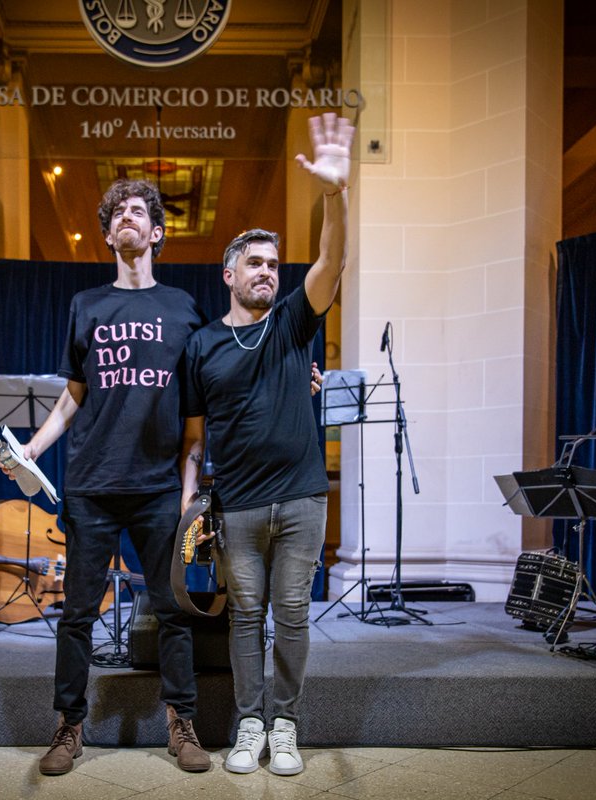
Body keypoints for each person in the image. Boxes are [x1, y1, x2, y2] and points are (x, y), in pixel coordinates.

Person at [2, 178, 212, 776]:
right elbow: (73, 395)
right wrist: (33, 450)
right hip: (92, 484)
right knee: (76, 613)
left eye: (138, 210)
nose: (127, 216)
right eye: (117, 211)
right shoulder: (86, 304)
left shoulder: (183, 310)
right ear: (107, 233)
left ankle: (182, 722)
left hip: (157, 489)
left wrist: (188, 491)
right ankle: (69, 728)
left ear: (156, 233)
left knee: (171, 611)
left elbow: (194, 415)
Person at [180, 111, 353, 777]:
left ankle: (286, 726)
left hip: (303, 498)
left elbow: (333, 260)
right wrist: (188, 511)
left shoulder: (292, 324)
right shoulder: (201, 345)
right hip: (239, 507)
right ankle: (248, 723)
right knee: (245, 617)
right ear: (228, 273)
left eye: (274, 264)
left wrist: (334, 193)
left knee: (293, 615)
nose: (266, 272)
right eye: (253, 263)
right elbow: (194, 442)